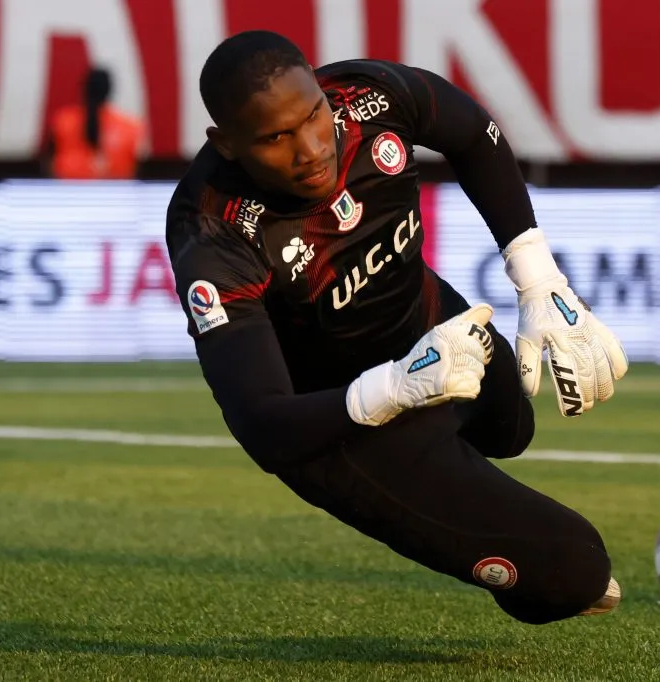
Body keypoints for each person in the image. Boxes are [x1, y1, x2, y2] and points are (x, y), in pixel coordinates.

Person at [165, 30, 629, 625]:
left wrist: (539, 280)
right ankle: (447, 502)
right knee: (574, 572)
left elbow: (473, 133)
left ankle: (454, 467)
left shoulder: (368, 94)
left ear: (320, 87)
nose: (310, 148)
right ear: (225, 144)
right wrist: (395, 389)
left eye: (312, 115)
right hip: (339, 421)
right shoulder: (214, 231)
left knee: (512, 430)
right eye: (276, 137)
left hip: (431, 326)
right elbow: (262, 423)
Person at [44, 67, 145, 180]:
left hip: (68, 192)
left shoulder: (63, 121)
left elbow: (49, 161)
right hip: (117, 193)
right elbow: (137, 168)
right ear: (109, 90)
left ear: (84, 89)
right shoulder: (131, 126)